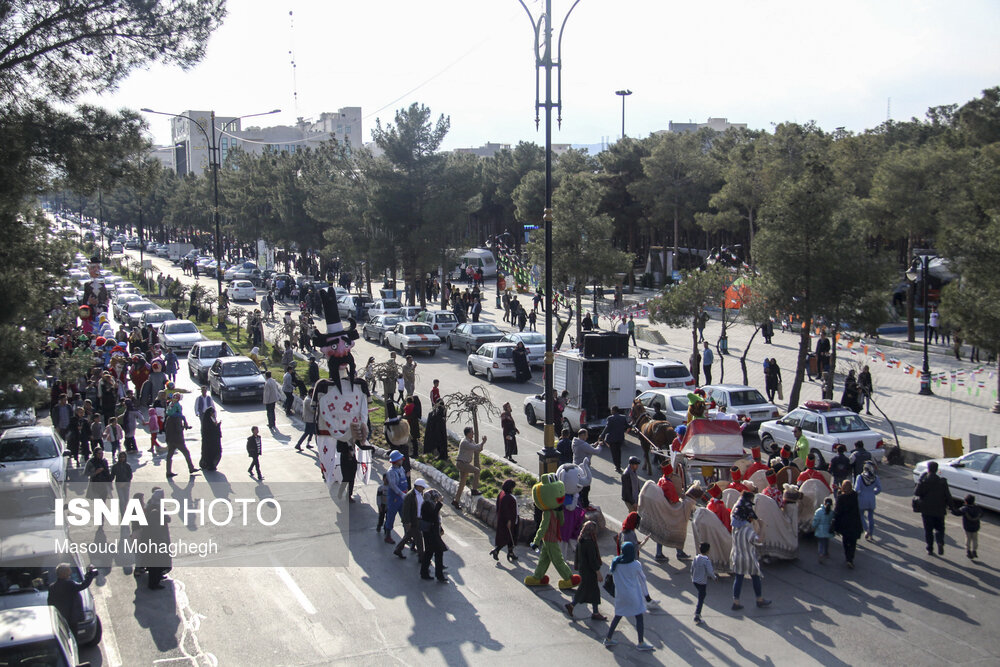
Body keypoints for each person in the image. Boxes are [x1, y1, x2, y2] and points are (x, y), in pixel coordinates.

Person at [603, 542, 653, 651]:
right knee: (639, 616)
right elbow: (642, 579)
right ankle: (640, 642)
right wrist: (647, 596)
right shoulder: (636, 565)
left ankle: (608, 638)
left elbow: (612, 572)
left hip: (620, 595)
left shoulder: (615, 563)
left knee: (618, 616)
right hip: (633, 595)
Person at [730, 506, 770, 610]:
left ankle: (736, 601)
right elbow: (759, 540)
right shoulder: (748, 530)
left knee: (738, 579)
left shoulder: (735, 528)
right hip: (748, 558)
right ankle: (759, 599)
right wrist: (763, 527)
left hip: (737, 556)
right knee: (756, 577)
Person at [565, 521, 605, 621]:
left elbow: (577, 556)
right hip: (589, 571)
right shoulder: (589, 543)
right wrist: (598, 573)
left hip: (583, 569)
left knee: (588, 591)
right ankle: (573, 605)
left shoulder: (581, 539)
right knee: (589, 591)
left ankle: (594, 612)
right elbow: (592, 560)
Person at [914, 460, 952, 556]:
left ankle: (930, 548)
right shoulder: (942, 481)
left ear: (929, 469)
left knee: (928, 530)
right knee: (940, 528)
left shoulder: (924, 481)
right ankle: (940, 541)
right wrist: (953, 508)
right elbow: (948, 496)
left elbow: (917, 493)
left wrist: (920, 480)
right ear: (936, 470)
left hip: (927, 510)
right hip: (940, 509)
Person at [47, 563, 97, 633]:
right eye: (68, 571)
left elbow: (50, 603)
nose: (70, 573)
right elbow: (83, 585)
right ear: (64, 574)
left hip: (61, 618)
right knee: (74, 636)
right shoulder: (69, 584)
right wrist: (91, 574)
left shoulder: (52, 587)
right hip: (72, 618)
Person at [394, 478, 428, 560]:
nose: (423, 489)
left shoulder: (420, 493)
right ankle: (421, 557)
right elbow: (406, 510)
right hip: (412, 521)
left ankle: (398, 549)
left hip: (419, 519)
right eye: (422, 487)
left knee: (408, 536)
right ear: (418, 487)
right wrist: (407, 522)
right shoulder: (409, 496)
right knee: (419, 539)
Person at [833, 479, 863, 568]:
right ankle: (851, 558)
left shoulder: (841, 498)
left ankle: (848, 558)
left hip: (845, 524)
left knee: (846, 542)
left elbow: (837, 511)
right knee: (853, 542)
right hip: (854, 522)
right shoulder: (854, 496)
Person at [419, 489, 448, 582]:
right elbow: (432, 516)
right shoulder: (427, 505)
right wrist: (439, 505)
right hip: (430, 532)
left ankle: (425, 572)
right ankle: (438, 575)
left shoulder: (430, 504)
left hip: (433, 531)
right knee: (437, 551)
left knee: (430, 552)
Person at [453, 427, 486, 508]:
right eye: (472, 432)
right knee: (477, 471)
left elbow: (478, 450)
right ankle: (474, 490)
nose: (473, 434)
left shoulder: (471, 441)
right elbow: (475, 447)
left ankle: (455, 501)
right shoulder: (465, 442)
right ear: (468, 433)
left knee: (462, 484)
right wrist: (483, 442)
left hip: (464, 463)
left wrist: (482, 444)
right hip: (462, 463)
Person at [572, 429, 603, 509]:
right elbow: (596, 451)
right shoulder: (583, 445)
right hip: (583, 468)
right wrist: (599, 445)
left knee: (579, 486)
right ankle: (585, 504)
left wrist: (593, 444)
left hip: (576, 465)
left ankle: (581, 501)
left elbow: (587, 448)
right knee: (586, 486)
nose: (587, 436)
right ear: (582, 435)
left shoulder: (575, 442)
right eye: (586, 435)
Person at [163, 409, 198, 479]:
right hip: (178, 440)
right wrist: (184, 427)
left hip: (170, 439)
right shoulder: (178, 418)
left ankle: (168, 472)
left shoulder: (169, 418)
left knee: (169, 456)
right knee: (186, 453)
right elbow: (178, 429)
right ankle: (191, 468)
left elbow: (165, 428)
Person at [491, 479, 519, 562]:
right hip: (509, 521)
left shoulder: (502, 494)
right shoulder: (508, 497)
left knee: (510, 538)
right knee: (508, 537)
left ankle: (510, 553)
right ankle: (497, 550)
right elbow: (507, 510)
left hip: (504, 520)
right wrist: (509, 520)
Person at [691, 542, 718, 625]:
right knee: (701, 598)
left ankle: (697, 613)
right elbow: (710, 571)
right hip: (702, 582)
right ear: (708, 551)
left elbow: (692, 568)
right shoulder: (706, 560)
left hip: (695, 580)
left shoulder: (696, 558)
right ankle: (697, 615)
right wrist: (714, 577)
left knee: (701, 596)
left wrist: (692, 576)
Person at [384, 450, 408, 543]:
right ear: (396, 461)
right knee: (391, 516)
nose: (402, 460)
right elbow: (393, 485)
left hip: (403, 496)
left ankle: (407, 536)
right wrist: (401, 494)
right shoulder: (391, 472)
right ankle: (387, 535)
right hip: (395, 498)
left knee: (405, 517)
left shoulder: (401, 469)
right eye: (400, 459)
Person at [854, 461, 881, 541]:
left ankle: (866, 530)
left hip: (861, 499)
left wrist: (859, 494)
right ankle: (871, 534)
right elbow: (879, 489)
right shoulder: (875, 478)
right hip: (871, 499)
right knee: (871, 517)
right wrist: (873, 493)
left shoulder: (860, 477)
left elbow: (856, 489)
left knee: (861, 515)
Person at [952, 494, 983, 560]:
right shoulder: (977, 508)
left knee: (968, 539)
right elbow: (982, 514)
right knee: (975, 539)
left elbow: (957, 513)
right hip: (975, 527)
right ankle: (974, 550)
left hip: (967, 527)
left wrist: (952, 509)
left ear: (965, 502)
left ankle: (968, 551)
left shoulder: (964, 509)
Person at [600, 405, 629, 473]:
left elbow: (607, 428)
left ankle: (617, 466)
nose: (611, 412)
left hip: (612, 439)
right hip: (620, 438)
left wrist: (602, 435)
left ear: (613, 411)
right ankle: (619, 465)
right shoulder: (623, 417)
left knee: (614, 453)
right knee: (618, 452)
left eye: (611, 410)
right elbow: (627, 426)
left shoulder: (610, 418)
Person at [199, 406, 222, 471]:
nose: (213, 414)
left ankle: (212, 464)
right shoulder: (207, 421)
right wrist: (216, 426)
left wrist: (217, 425)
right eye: (212, 413)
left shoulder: (212, 419)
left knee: (216, 452)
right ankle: (209, 465)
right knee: (209, 454)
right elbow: (210, 430)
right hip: (209, 442)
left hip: (214, 441)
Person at [812, 497, 835, 563]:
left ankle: (821, 553)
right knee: (826, 542)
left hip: (820, 530)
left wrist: (813, 526)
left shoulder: (819, 511)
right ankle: (826, 552)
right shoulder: (831, 512)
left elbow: (816, 520)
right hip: (828, 529)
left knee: (820, 543)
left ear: (824, 502)